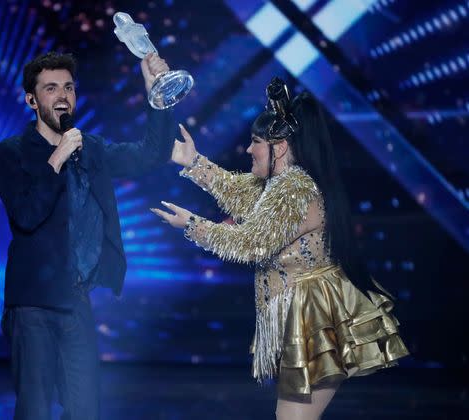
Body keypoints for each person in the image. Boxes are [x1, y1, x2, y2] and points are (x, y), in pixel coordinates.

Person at [151, 77, 409, 419]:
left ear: (281, 146)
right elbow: (238, 193)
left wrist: (192, 226)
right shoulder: (279, 185)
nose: (248, 149)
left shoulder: (294, 189)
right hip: (300, 313)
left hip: (314, 317)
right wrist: (193, 161)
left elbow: (250, 244)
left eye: (256, 141)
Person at [0, 51, 175, 419]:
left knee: (84, 410)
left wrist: (156, 91)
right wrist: (56, 158)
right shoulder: (12, 153)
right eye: (51, 88)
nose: (62, 96)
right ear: (31, 99)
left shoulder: (90, 147)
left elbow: (150, 155)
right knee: (35, 411)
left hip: (75, 301)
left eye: (69, 87)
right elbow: (27, 216)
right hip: (32, 305)